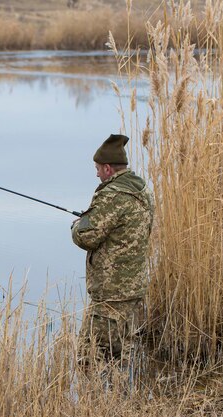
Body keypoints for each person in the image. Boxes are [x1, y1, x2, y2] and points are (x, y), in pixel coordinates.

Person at [71, 134, 153, 371]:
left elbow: (87, 237)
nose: (96, 173)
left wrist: (77, 226)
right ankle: (120, 398)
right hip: (133, 286)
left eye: (98, 169)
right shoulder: (142, 189)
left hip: (111, 291)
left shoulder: (112, 195)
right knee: (118, 355)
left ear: (107, 168)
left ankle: (98, 404)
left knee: (90, 358)